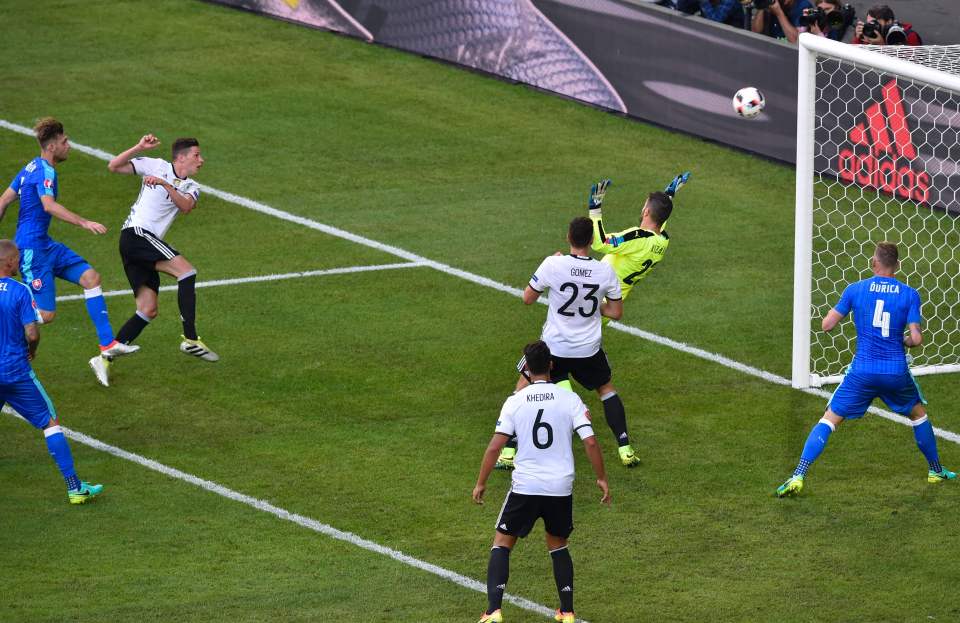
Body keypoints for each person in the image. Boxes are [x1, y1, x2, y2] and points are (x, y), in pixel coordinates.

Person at [777, 242, 956, 497]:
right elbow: (916, 339)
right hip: (895, 372)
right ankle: (935, 470)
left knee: (829, 419)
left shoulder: (855, 290)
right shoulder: (909, 294)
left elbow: (826, 325)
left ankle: (798, 474)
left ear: (874, 263)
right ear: (898, 265)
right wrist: (903, 340)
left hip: (862, 372)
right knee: (918, 415)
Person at [473, 340, 610, 623]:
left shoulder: (515, 401)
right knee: (558, 544)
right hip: (560, 486)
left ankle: (493, 611)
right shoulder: (570, 399)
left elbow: (494, 447)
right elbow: (592, 442)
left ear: (526, 368)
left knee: (502, 543)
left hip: (526, 485)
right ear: (551, 365)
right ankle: (568, 611)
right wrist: (601, 478)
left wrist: (481, 483)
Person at [0, 118, 139, 387]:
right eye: (65, 142)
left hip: (46, 245)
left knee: (91, 278)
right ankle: (7, 310)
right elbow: (49, 206)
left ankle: (107, 344)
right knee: (46, 315)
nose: (69, 146)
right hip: (31, 250)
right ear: (52, 146)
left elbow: (4, 200)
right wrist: (84, 222)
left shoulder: (30, 167)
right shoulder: (44, 172)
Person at [497, 216, 639, 470]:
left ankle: (507, 452)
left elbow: (528, 298)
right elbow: (616, 312)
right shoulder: (605, 271)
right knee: (606, 389)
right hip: (588, 349)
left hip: (554, 348)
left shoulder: (553, 264)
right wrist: (595, 306)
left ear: (568, 237)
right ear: (592, 241)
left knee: (522, 389)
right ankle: (625, 448)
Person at [0, 239, 103, 504]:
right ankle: (74, 487)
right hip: (15, 372)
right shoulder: (20, 290)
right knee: (50, 422)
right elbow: (32, 331)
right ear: (10, 263)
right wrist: (32, 349)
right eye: (17, 258)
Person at [106, 134, 219, 362]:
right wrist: (138, 146)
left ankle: (104, 358)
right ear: (181, 158)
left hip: (142, 244)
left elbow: (186, 206)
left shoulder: (192, 186)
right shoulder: (156, 166)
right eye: (196, 155)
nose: (201, 160)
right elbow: (114, 166)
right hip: (136, 235)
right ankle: (190, 339)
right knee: (186, 271)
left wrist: (165, 184)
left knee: (148, 310)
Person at [588, 174, 689, 308]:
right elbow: (660, 217)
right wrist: (669, 194)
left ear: (646, 212)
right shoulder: (662, 240)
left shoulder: (638, 238)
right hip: (614, 304)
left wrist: (595, 209)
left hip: (595, 302)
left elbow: (600, 243)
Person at [853, 4, 922, 45]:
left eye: (875, 22)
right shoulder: (869, 34)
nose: (871, 26)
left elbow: (907, 65)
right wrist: (858, 38)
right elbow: (851, 59)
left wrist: (881, 45)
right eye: (869, 23)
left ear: (889, 21)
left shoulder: (908, 36)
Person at [676, 0, 745, 28]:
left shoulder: (730, 1)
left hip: (733, 42)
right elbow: (682, 9)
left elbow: (715, 22)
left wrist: (703, 1)